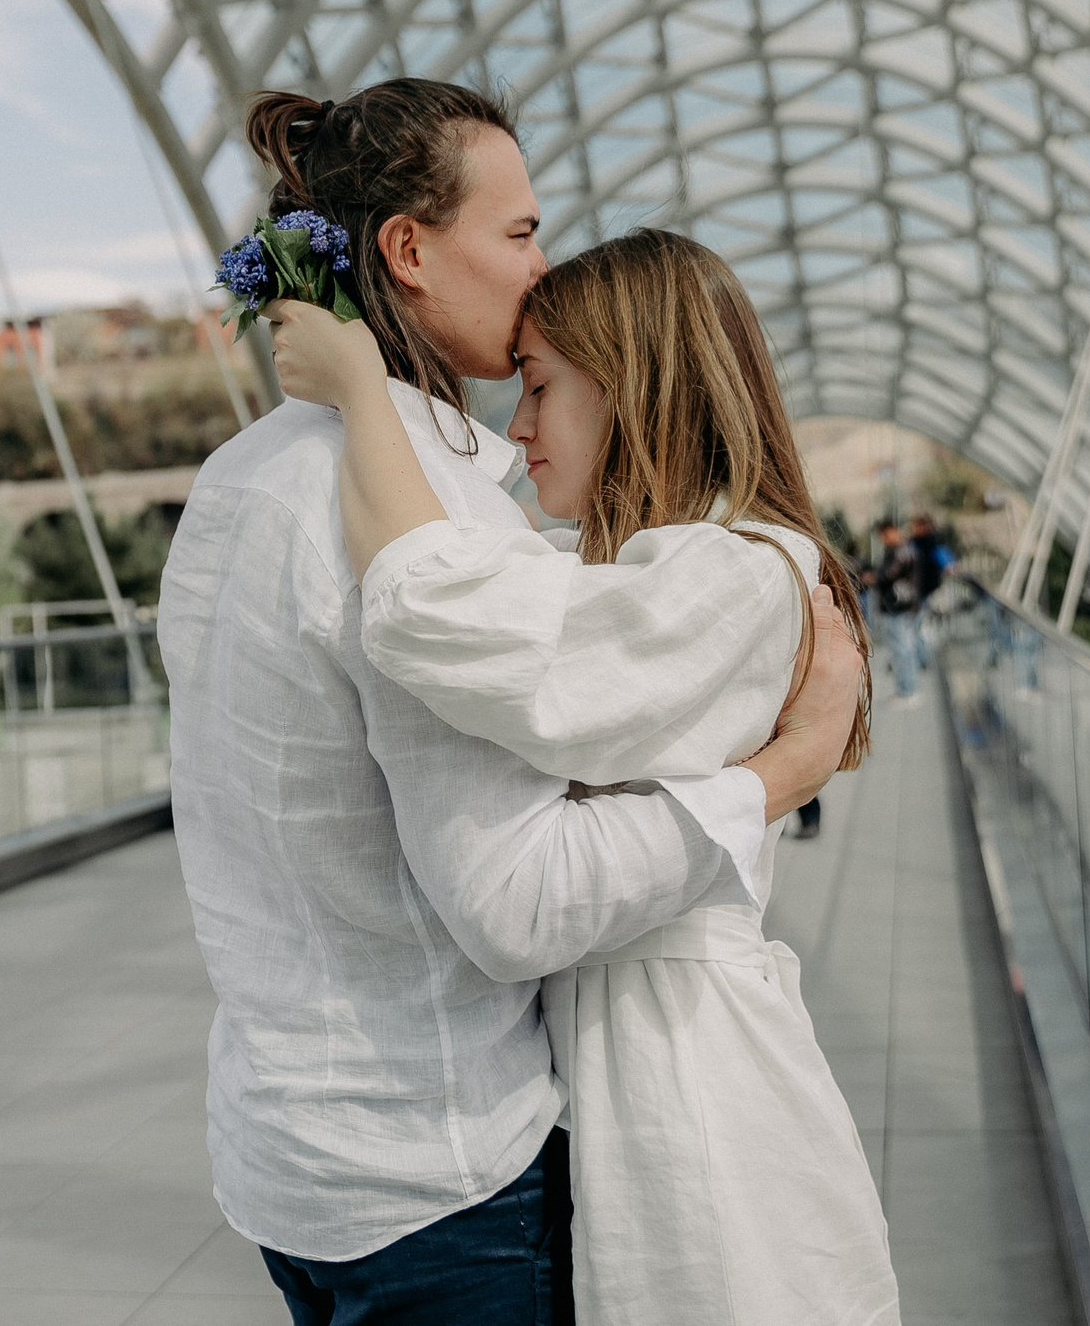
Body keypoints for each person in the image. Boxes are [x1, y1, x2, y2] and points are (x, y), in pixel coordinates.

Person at [159, 80, 865, 1326]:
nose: (541, 269)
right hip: (441, 1167)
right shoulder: (423, 517)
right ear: (409, 249)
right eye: (522, 232)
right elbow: (520, 899)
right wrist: (787, 770)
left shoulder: (235, 481)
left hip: (282, 1152)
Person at [871, 519, 922, 699]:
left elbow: (888, 575)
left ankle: (907, 691)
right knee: (905, 648)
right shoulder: (905, 550)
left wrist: (874, 578)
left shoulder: (900, 551)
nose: (883, 539)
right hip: (902, 606)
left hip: (898, 606)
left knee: (902, 649)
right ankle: (907, 689)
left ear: (892, 531)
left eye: (885, 535)